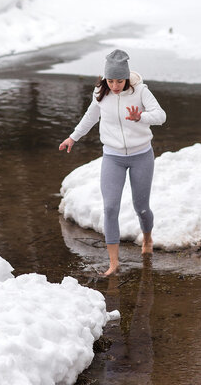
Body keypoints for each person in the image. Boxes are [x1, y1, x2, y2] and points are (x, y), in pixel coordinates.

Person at [59, 49, 166, 276]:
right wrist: (73, 137)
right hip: (113, 157)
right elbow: (90, 117)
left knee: (142, 207)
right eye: (111, 80)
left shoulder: (141, 91)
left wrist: (141, 117)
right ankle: (114, 263)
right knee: (109, 208)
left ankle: (147, 238)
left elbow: (161, 116)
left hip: (141, 156)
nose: (115, 85)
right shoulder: (101, 92)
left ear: (126, 77)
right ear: (105, 79)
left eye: (119, 80)